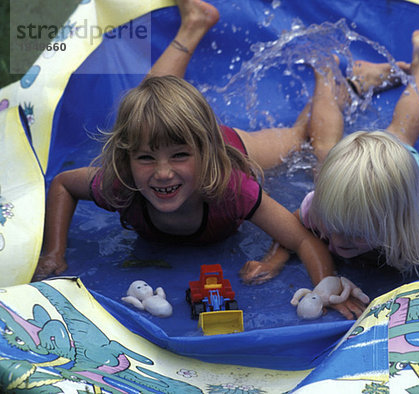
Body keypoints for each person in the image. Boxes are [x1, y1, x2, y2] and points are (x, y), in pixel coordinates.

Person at [33, 0, 386, 319]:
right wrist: (54, 251)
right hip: (185, 140)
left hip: (232, 148)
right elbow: (63, 185)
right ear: (126, 158)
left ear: (206, 153)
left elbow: (303, 240)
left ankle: (344, 79)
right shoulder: (120, 183)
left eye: (179, 156)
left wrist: (326, 288)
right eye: (144, 158)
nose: (162, 173)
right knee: (150, 107)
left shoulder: (232, 188)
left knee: (301, 141)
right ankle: (195, 23)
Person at [240, 30, 419, 285]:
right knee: (324, 151)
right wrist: (273, 259)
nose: (338, 242)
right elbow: (292, 225)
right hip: (352, 176)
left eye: (357, 234)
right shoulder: (323, 207)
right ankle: (327, 70)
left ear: (396, 220)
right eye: (333, 227)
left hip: (403, 164)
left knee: (401, 133)